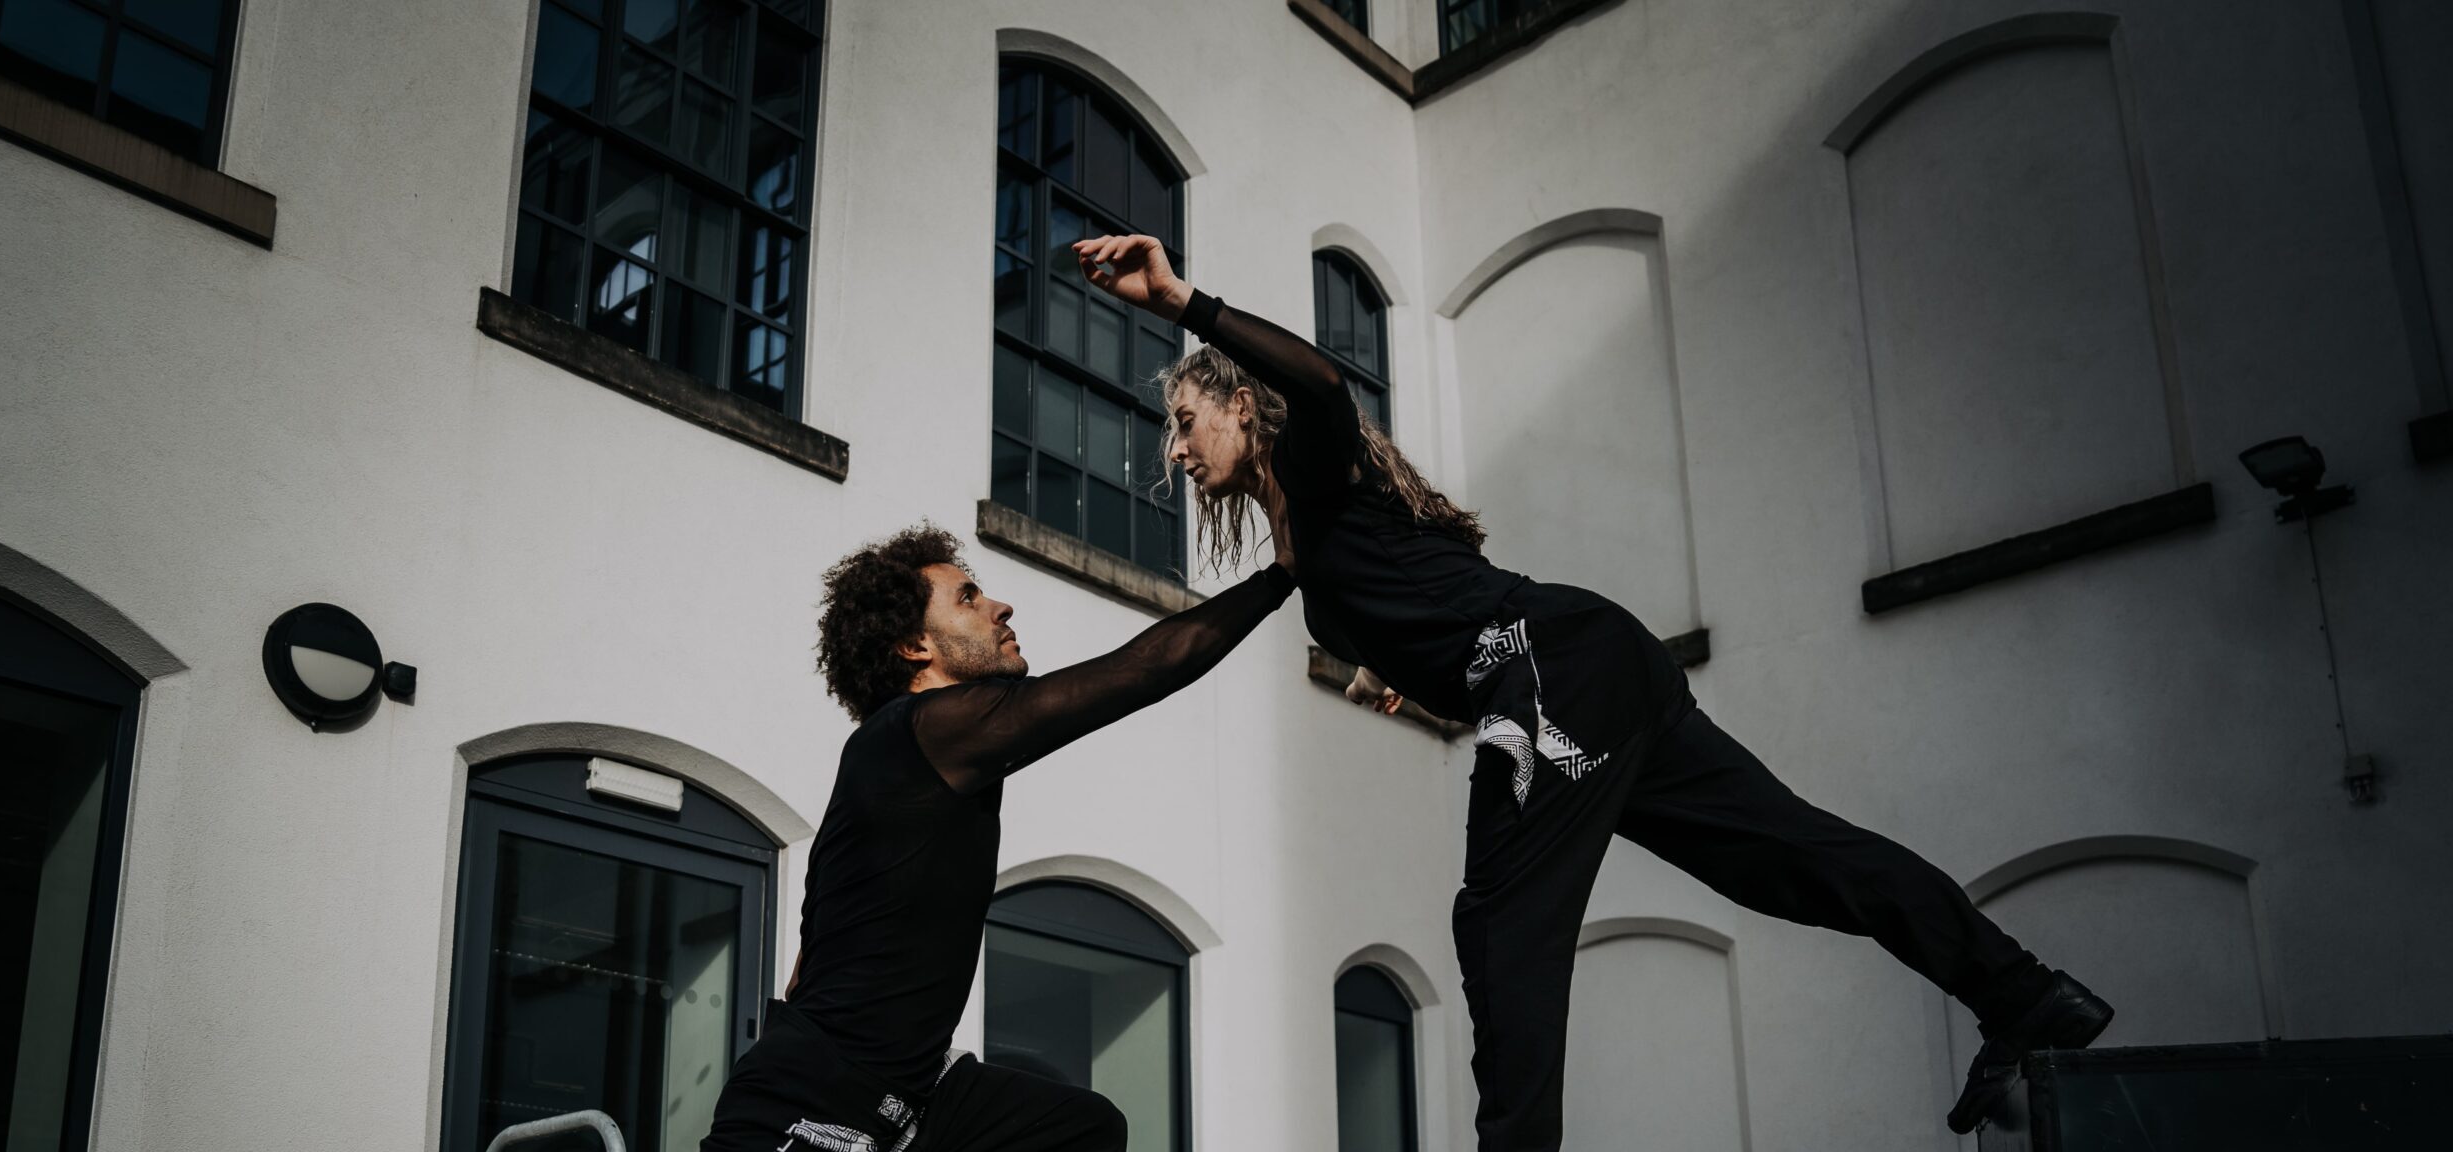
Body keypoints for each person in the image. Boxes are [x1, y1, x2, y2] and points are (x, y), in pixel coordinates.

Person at [1069, 233, 2113, 1150]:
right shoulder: (1307, 560)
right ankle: (2025, 994)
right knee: (1786, 859)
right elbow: (1412, 618)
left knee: (1498, 923)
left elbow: (1330, 387)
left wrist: (1183, 301)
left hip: (1548, 669)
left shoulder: (1319, 466)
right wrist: (1423, 691)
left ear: (1246, 408)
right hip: (1582, 667)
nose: (1174, 448)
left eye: (1186, 420)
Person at [702, 525, 1293, 1152]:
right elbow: (1143, 670)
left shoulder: (901, 760)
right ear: (913, 646)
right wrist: (1282, 573)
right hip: (806, 1106)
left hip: (907, 1100)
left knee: (1083, 1128)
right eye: (968, 598)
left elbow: (806, 967)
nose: (999, 606)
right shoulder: (917, 732)